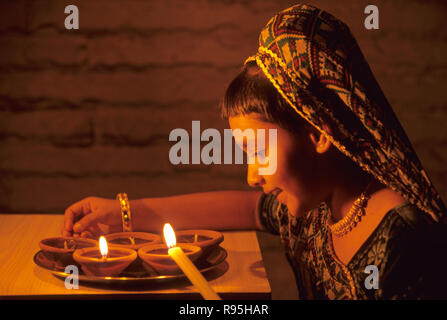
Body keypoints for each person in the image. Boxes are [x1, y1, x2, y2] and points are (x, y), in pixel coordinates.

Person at [62, 4, 447, 299]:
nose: (251, 175)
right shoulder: (317, 207)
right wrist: (124, 214)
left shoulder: (403, 243)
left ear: (317, 135)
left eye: (257, 150)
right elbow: (247, 208)